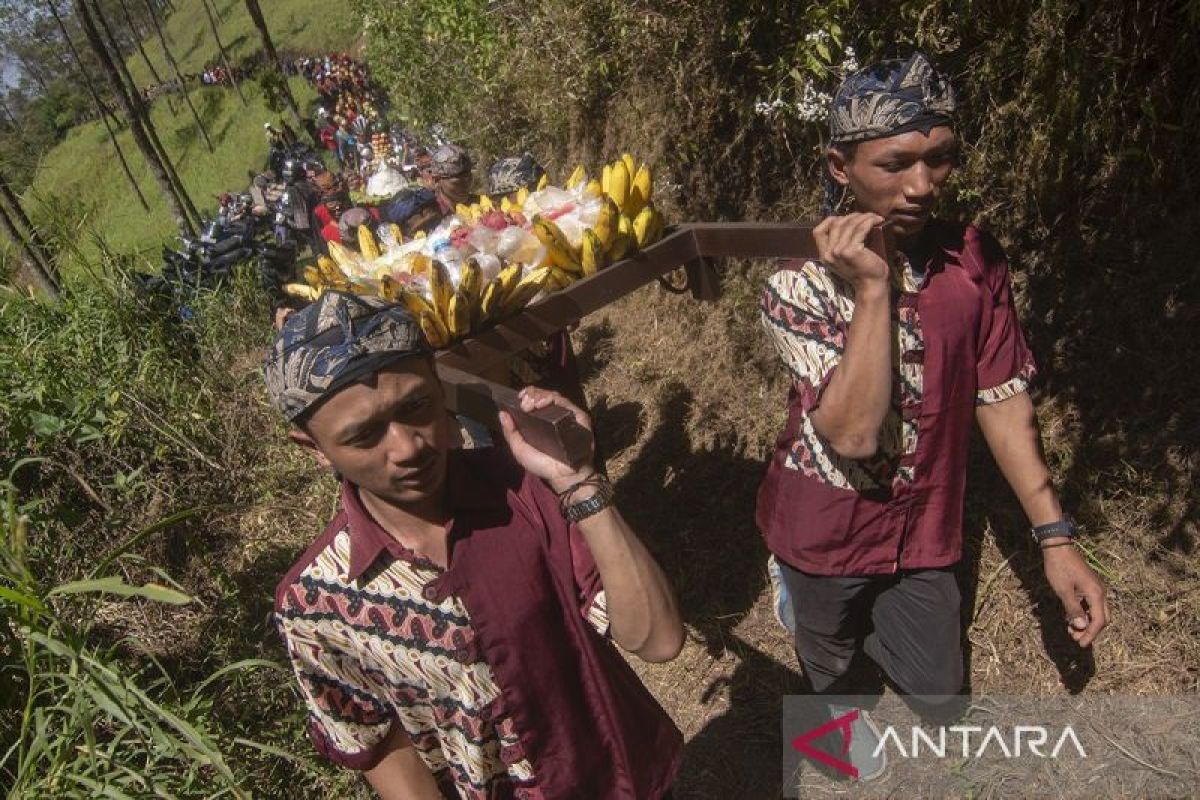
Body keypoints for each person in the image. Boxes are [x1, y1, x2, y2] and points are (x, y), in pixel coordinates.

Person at [757, 53, 1109, 778]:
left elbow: (1002, 396)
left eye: (940, 160)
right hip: (823, 531)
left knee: (939, 693)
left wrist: (1054, 537)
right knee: (829, 666)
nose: (923, 185)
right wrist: (875, 289)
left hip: (925, 528)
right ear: (840, 165)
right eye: (896, 164)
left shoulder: (973, 260)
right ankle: (800, 613)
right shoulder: (797, 281)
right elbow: (853, 435)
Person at [265, 292, 684, 798]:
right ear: (314, 449)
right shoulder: (316, 605)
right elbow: (377, 745)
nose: (407, 446)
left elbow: (657, 639)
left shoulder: (524, 493)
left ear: (440, 389)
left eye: (416, 406)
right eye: (364, 435)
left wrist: (580, 482)